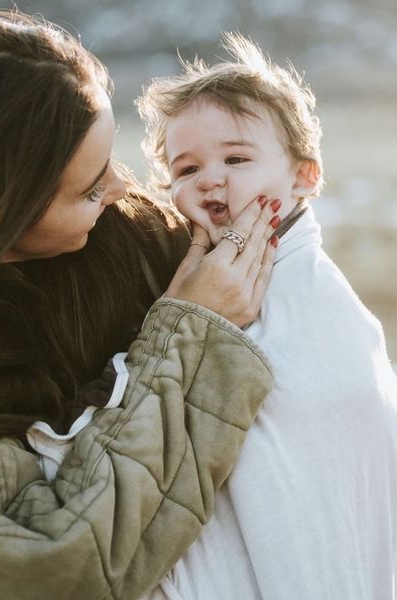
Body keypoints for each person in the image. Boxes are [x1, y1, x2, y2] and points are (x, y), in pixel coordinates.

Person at [0, 11, 284, 600]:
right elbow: (46, 565)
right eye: (91, 187)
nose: (121, 187)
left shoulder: (127, 238)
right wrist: (194, 337)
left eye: (111, 160)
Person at [138, 33, 397, 599]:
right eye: (186, 169)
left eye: (236, 158)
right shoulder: (177, 276)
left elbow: (345, 402)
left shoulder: (316, 292)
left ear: (304, 176)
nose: (210, 179)